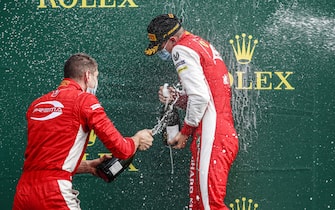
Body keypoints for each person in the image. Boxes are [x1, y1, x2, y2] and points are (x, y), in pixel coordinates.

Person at [13, 53, 154, 209]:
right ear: (88, 76)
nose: (96, 82)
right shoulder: (84, 100)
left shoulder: (37, 104)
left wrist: (88, 166)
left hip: (23, 193)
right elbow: (122, 149)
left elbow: (46, 162)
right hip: (54, 193)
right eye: (96, 76)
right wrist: (137, 139)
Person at [144, 14, 239, 210]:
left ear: (171, 40)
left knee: (208, 206)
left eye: (162, 47)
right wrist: (176, 98)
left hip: (212, 136)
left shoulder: (180, 49)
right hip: (216, 133)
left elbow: (201, 98)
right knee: (198, 205)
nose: (164, 52)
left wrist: (185, 132)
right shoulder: (200, 43)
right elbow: (208, 96)